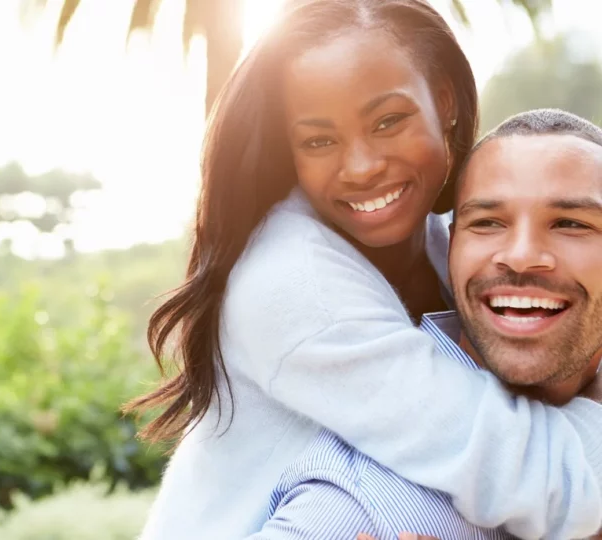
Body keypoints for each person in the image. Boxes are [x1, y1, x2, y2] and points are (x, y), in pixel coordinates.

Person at [125, 1, 602, 538]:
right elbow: (545, 483)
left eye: (388, 121)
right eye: (318, 141)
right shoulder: (295, 285)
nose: (361, 167)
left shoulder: (446, 239)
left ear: (444, 101)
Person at [247, 108, 602, 540]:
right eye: (487, 223)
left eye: (570, 224)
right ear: (452, 248)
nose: (522, 254)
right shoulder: (363, 501)